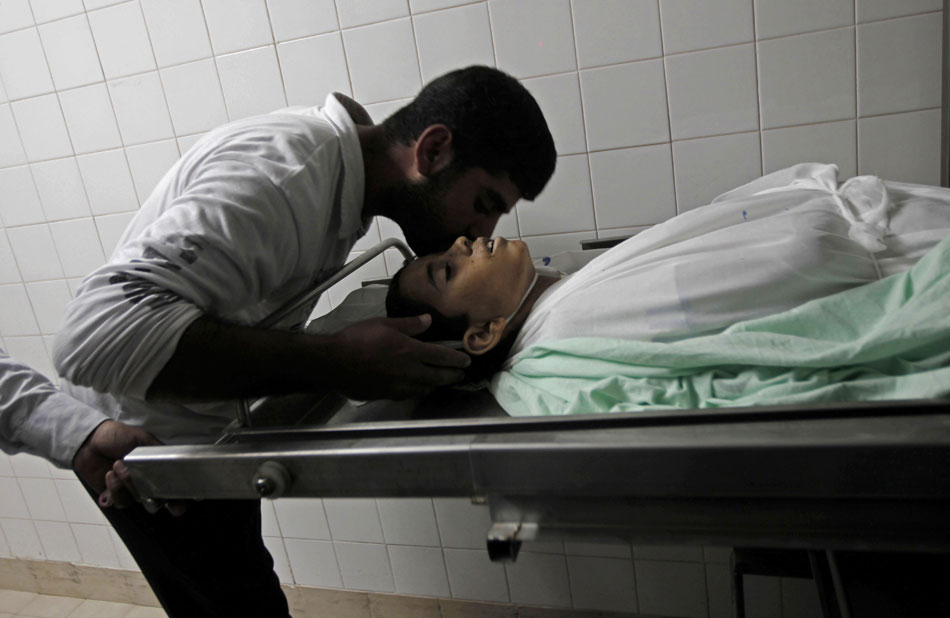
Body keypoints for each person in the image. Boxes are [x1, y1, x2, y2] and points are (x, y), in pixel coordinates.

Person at [51, 65, 556, 617]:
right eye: (484, 204)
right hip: (142, 451)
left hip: (206, 430)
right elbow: (90, 336)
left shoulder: (352, 167)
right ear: (432, 151)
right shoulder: (280, 182)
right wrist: (334, 361)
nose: (480, 235)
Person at [385, 163, 950, 385]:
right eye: (447, 270)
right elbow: (787, 267)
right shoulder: (574, 318)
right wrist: (827, 222)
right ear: (482, 333)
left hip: (874, 228)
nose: (462, 243)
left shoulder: (560, 284)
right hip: (890, 258)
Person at [0, 348, 164, 511]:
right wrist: (82, 435)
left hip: (109, 449)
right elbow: (71, 345)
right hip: (118, 459)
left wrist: (82, 435)